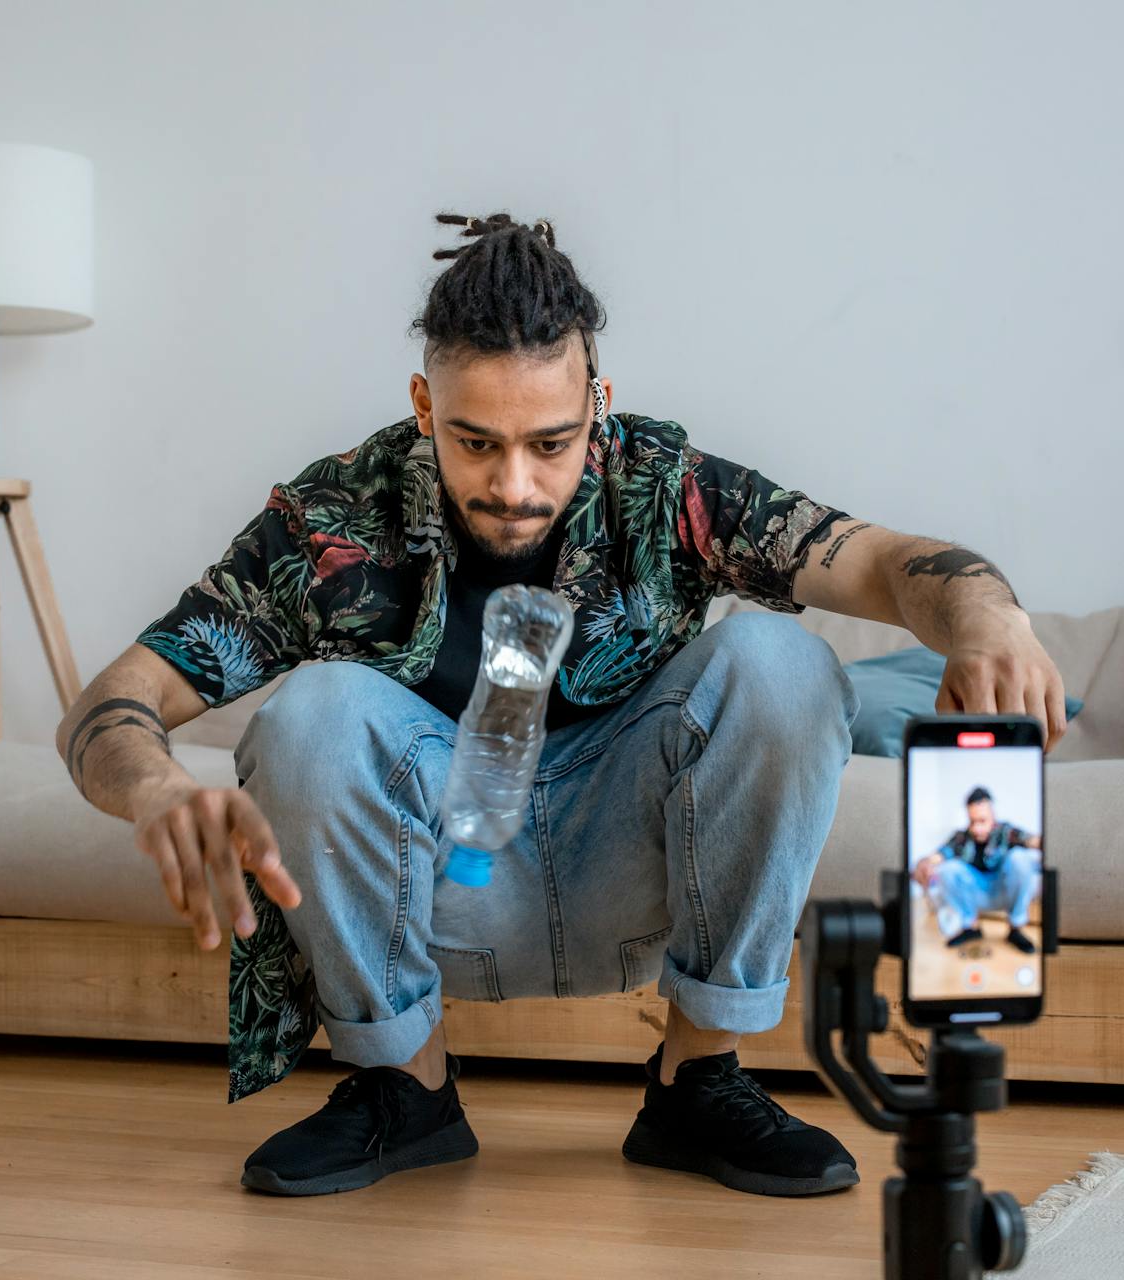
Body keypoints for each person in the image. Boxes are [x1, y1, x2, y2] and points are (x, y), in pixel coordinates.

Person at [57, 211, 1068, 1199]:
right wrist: (154, 789)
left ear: (599, 401)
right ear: (422, 404)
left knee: (784, 662)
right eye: (474, 442)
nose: (514, 482)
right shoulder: (331, 519)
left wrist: (992, 623)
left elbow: (891, 562)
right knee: (310, 710)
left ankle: (696, 1079)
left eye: (551, 441)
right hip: (438, 878)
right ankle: (404, 1092)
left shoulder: (665, 484)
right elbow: (115, 699)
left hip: (629, 857)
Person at [912, 787, 1044, 953]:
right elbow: (937, 857)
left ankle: (1015, 928)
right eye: (972, 821)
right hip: (977, 895)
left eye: (982, 821)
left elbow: (1031, 840)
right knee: (947, 869)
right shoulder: (961, 837)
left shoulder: (1006, 831)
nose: (976, 828)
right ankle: (971, 928)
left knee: (1019, 857)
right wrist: (923, 864)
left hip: (1004, 891)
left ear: (993, 816)